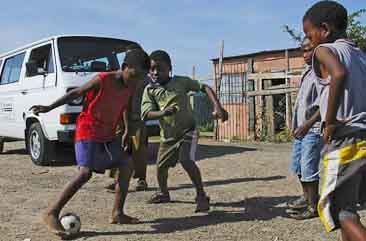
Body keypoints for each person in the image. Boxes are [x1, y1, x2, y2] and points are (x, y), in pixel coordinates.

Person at [30, 49, 150, 237]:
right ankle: (51, 212)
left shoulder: (131, 86)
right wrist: (49, 107)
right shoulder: (103, 79)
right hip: (88, 131)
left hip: (108, 134)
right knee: (85, 173)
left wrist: (126, 128)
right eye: (134, 76)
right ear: (125, 67)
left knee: (127, 165)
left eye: (140, 78)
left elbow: (125, 105)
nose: (136, 81)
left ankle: (117, 213)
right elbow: (77, 92)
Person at [303, 1, 366, 240]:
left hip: (345, 139)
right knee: (348, 209)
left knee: (342, 212)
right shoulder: (360, 54)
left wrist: (329, 122)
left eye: (309, 34)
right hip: (363, 135)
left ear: (325, 29)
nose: (309, 40)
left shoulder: (324, 50)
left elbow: (338, 73)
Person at [141, 50, 228, 212]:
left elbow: (205, 88)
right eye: (151, 69)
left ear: (170, 68)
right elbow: (146, 114)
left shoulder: (181, 82)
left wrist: (218, 106)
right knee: (160, 167)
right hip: (167, 137)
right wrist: (163, 113)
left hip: (189, 130)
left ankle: (201, 195)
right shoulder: (150, 90)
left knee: (186, 160)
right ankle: (163, 193)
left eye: (159, 68)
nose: (155, 72)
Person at [287, 37, 323, 220]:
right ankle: (307, 197)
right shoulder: (307, 72)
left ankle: (313, 206)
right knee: (299, 167)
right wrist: (296, 125)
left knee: (309, 168)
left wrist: (307, 125)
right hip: (301, 129)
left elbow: (325, 104)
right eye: (303, 50)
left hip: (313, 129)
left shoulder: (322, 71)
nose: (306, 54)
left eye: (309, 50)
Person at [106, 44, 150, 192]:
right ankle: (118, 179)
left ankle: (141, 179)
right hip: (120, 118)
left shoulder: (143, 78)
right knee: (119, 148)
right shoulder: (121, 76)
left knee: (139, 149)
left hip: (137, 118)